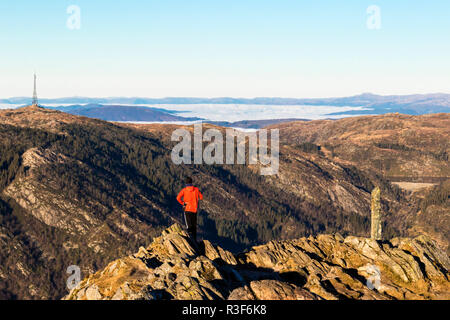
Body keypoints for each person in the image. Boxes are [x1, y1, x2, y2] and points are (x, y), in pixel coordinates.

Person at [176, 177, 203, 242]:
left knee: (189, 226)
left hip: (187, 209)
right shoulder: (196, 189)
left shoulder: (184, 190)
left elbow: (178, 198)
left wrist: (183, 203)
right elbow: (201, 197)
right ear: (191, 182)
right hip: (194, 209)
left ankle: (191, 240)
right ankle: (195, 239)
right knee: (194, 225)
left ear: (186, 183)